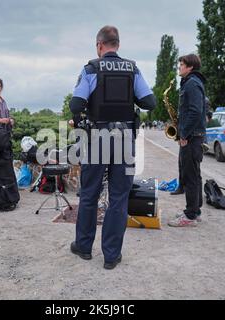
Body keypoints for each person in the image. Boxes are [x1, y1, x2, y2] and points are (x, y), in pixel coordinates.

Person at [69, 26, 156, 269]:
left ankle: (84, 248)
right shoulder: (133, 68)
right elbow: (150, 102)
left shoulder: (91, 69)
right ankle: (111, 255)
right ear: (117, 44)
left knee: (89, 195)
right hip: (125, 139)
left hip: (97, 138)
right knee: (119, 198)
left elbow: (76, 104)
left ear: (99, 45)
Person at [168, 54, 206, 227]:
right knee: (194, 175)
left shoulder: (191, 84)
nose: (179, 67)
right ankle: (195, 210)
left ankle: (190, 216)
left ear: (190, 67)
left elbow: (195, 111)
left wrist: (183, 134)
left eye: (182, 64)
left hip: (191, 138)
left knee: (190, 176)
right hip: (193, 136)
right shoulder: (192, 82)